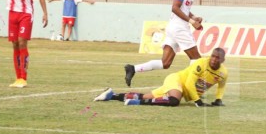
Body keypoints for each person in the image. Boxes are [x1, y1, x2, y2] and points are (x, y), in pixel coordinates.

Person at [124, 0, 204, 87]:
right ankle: (190, 86)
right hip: (179, 28)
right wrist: (192, 22)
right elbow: (175, 8)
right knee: (197, 59)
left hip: (174, 27)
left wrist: (193, 17)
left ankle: (132, 68)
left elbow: (184, 8)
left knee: (165, 63)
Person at [95, 48, 227, 107]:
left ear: (223, 60)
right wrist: (198, 101)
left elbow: (221, 86)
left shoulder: (223, 73)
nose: (214, 60)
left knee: (147, 96)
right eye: (213, 56)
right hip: (176, 80)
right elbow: (189, 83)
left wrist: (218, 100)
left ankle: (112, 95)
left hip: (182, 89)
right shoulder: (201, 63)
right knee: (174, 100)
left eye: (217, 58)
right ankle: (137, 103)